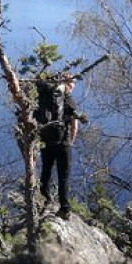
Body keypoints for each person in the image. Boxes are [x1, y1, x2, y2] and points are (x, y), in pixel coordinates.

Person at [37, 75, 80, 220]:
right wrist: (70, 142)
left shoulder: (48, 98)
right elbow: (74, 125)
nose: (74, 86)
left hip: (47, 142)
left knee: (46, 171)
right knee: (63, 177)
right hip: (64, 143)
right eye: (73, 83)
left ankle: (45, 200)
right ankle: (65, 209)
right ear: (68, 84)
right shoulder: (68, 100)